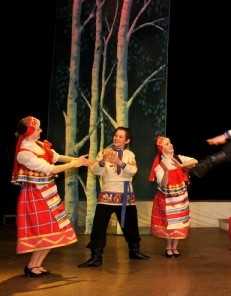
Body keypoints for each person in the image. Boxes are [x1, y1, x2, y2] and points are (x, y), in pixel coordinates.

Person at [12, 116, 93, 277]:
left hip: (48, 192)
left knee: (55, 228)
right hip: (35, 195)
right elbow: (51, 169)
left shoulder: (40, 145)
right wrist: (73, 165)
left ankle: (37, 264)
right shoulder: (24, 153)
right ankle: (31, 265)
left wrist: (78, 160)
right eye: (38, 129)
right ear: (29, 132)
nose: (41, 130)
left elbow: (57, 157)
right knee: (44, 231)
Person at [78, 126, 150, 267]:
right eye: (116, 135)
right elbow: (95, 170)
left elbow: (133, 171)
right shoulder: (104, 152)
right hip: (107, 194)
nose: (116, 138)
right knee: (99, 226)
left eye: (120, 136)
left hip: (125, 194)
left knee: (130, 225)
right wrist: (102, 161)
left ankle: (134, 251)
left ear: (127, 140)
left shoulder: (129, 154)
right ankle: (96, 257)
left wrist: (119, 162)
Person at [149, 136, 198, 258]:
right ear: (161, 149)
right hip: (168, 200)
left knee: (180, 222)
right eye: (167, 144)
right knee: (170, 223)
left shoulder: (179, 158)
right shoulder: (159, 167)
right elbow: (163, 184)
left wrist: (180, 166)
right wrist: (166, 172)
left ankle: (175, 247)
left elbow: (195, 161)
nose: (170, 144)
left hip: (181, 198)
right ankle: (168, 247)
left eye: (170, 142)